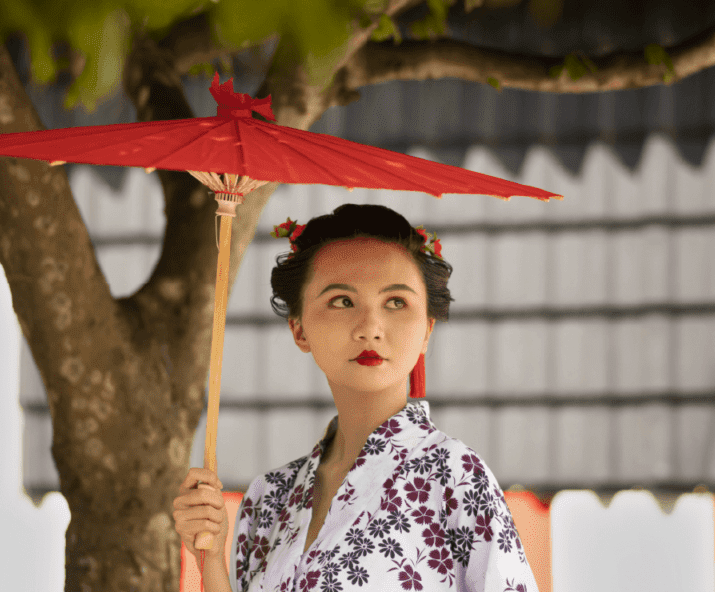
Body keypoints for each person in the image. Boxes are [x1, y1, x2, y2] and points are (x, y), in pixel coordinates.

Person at [174, 204, 539, 591]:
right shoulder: (270, 496)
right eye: (343, 301)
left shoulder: (455, 476)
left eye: (396, 302)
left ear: (427, 331)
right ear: (299, 328)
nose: (370, 328)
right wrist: (210, 560)